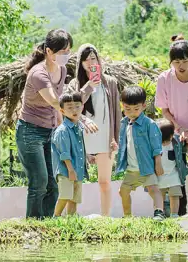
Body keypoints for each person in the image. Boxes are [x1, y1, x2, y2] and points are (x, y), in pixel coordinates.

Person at [16, 29, 98, 219]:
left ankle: (48, 222)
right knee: (39, 181)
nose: (65, 55)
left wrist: (90, 87)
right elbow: (55, 102)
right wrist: (82, 118)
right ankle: (33, 223)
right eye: (61, 51)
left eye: (68, 50)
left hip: (50, 131)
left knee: (54, 181)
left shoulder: (61, 70)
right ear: (48, 51)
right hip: (30, 131)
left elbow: (62, 105)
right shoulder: (38, 74)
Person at [155, 36, 188, 214]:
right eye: (177, 61)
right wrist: (180, 130)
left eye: (186, 60)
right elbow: (165, 111)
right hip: (176, 132)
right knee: (179, 172)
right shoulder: (164, 79)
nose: (181, 65)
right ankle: (181, 212)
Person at [67, 44, 120, 216]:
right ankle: (72, 217)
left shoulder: (110, 83)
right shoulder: (75, 84)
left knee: (104, 182)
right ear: (80, 63)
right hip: (82, 138)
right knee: (76, 180)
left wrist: (115, 138)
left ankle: (106, 217)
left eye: (93, 58)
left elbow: (117, 113)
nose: (91, 62)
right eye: (86, 59)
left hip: (105, 137)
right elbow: (73, 107)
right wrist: (89, 86)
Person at [116, 86, 166, 220]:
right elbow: (125, 143)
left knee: (153, 189)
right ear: (123, 106)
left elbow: (156, 146)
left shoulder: (149, 124)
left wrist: (158, 163)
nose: (132, 112)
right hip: (132, 169)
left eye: (136, 109)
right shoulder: (124, 123)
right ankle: (127, 216)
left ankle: (159, 212)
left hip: (146, 166)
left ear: (144, 106)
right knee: (123, 191)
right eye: (127, 109)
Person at [52, 92, 87, 217]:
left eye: (77, 106)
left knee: (74, 197)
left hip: (77, 168)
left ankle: (71, 220)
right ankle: (56, 217)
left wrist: (88, 157)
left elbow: (79, 148)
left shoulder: (79, 127)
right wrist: (71, 170)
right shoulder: (62, 130)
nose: (74, 110)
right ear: (62, 110)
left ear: (82, 107)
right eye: (70, 107)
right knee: (66, 194)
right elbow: (64, 153)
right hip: (66, 170)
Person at [156, 119, 188, 216]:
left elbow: (184, 149)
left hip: (173, 174)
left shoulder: (176, 142)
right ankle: (160, 213)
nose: (164, 143)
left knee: (174, 195)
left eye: (167, 140)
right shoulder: (154, 144)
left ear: (171, 136)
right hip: (159, 174)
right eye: (162, 140)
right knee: (159, 196)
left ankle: (174, 214)